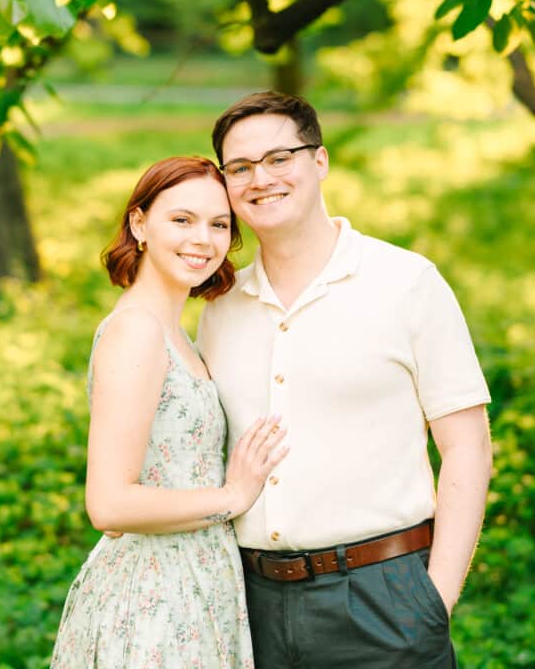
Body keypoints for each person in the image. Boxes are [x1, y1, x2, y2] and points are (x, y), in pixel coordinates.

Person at [197, 92, 492, 669]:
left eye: (279, 158)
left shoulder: (406, 282)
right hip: (251, 603)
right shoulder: (220, 306)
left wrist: (434, 601)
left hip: (384, 596)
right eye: (241, 168)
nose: (261, 179)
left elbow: (468, 446)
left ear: (320, 160)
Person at [50, 155, 288, 669]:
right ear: (139, 224)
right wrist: (233, 496)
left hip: (197, 586)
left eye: (219, 224)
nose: (202, 239)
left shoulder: (176, 333)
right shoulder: (136, 330)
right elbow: (109, 505)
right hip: (153, 600)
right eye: (182, 219)